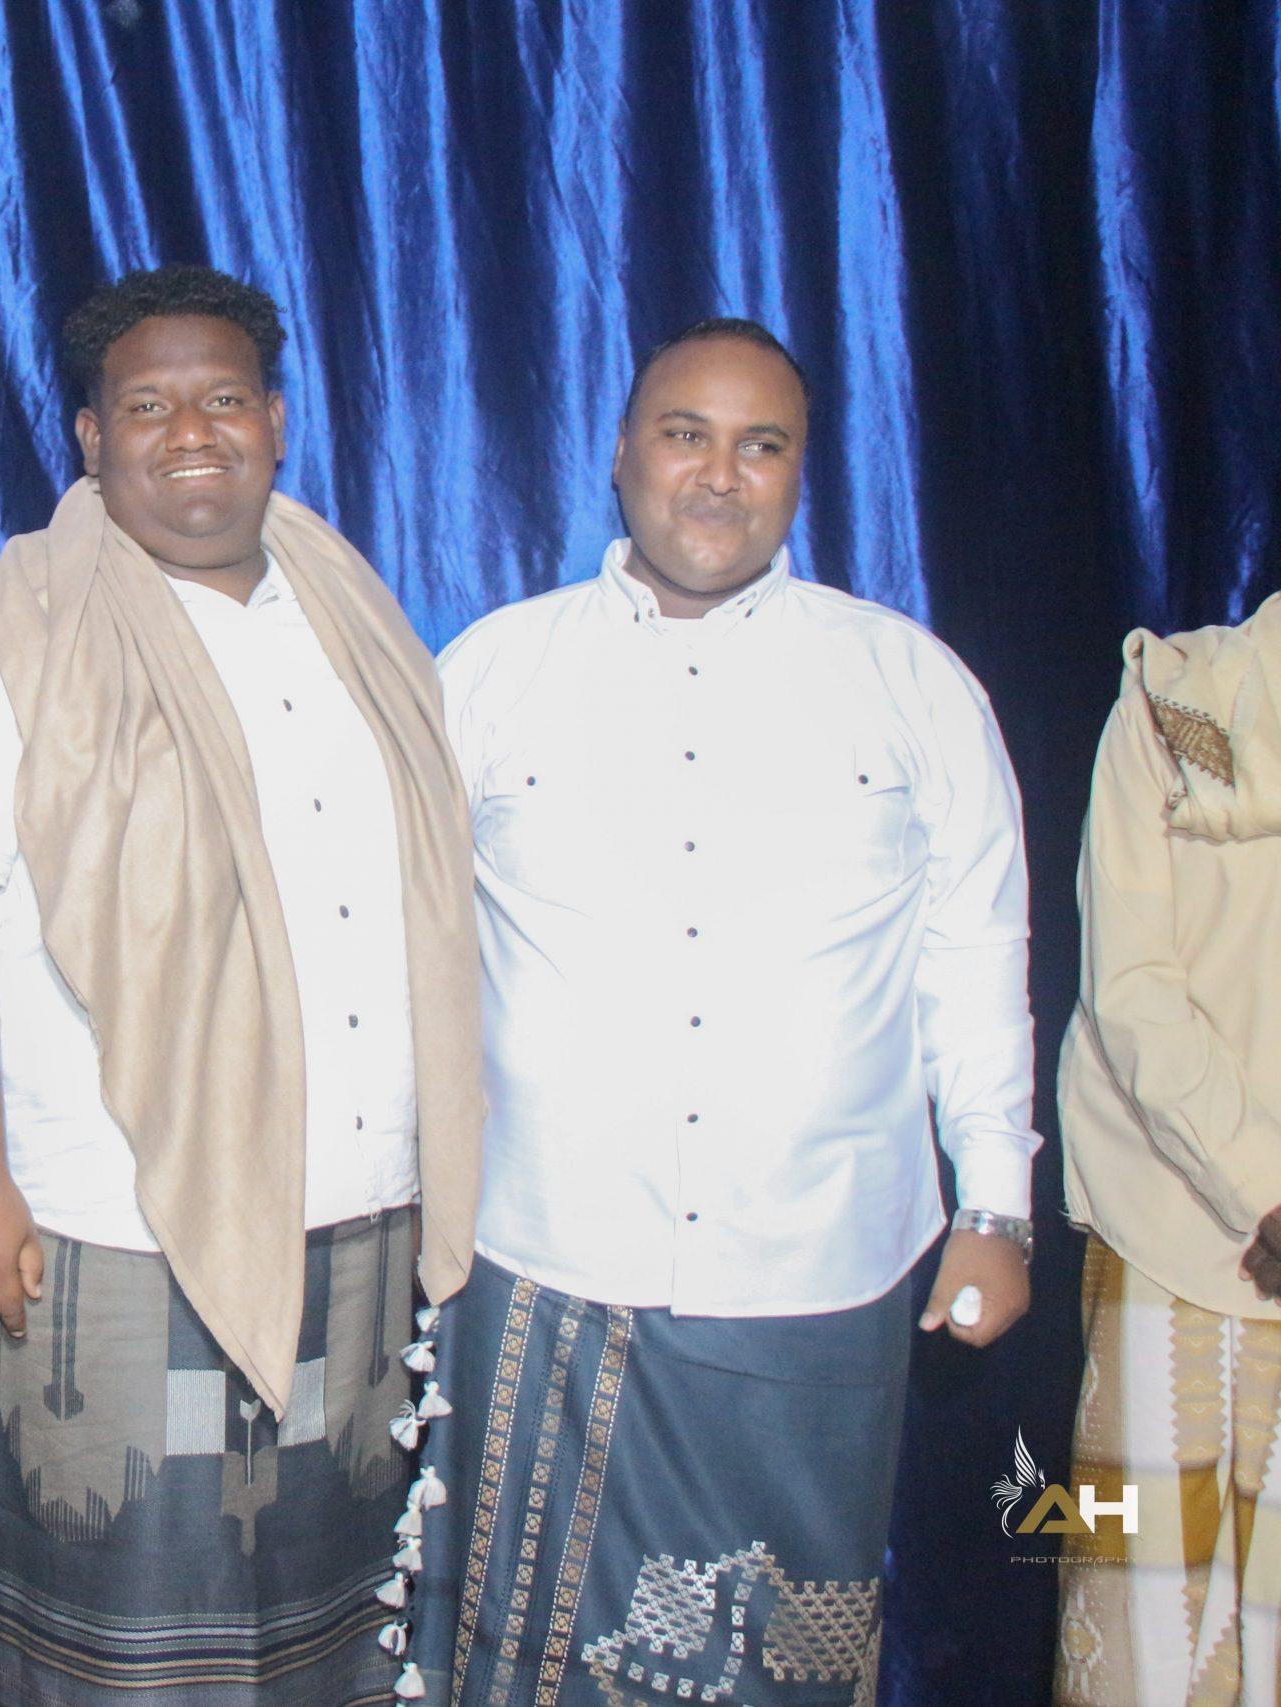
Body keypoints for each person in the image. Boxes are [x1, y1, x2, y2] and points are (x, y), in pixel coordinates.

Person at [0, 264, 483, 1706]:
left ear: (275, 419)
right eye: (146, 406)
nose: (190, 432)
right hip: (110, 1222)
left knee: (326, 1633)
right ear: (91, 437)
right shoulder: (9, 629)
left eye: (222, 398)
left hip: (361, 1209)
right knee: (120, 1644)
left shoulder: (353, 614)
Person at [420, 317, 1039, 1704]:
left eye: (761, 444)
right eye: (685, 434)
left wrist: (996, 1210)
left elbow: (977, 952)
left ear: (802, 471)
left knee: (782, 1653)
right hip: (547, 1261)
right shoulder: (495, 671)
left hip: (820, 1275)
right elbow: (405, 955)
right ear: (621, 453)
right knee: (520, 1658)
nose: (719, 473)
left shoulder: (909, 682)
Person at [1054, 591, 1281, 1705]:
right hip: (1174, 1223)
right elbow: (1131, 987)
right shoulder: (1173, 699)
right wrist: (1264, 1188)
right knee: (1145, 1636)